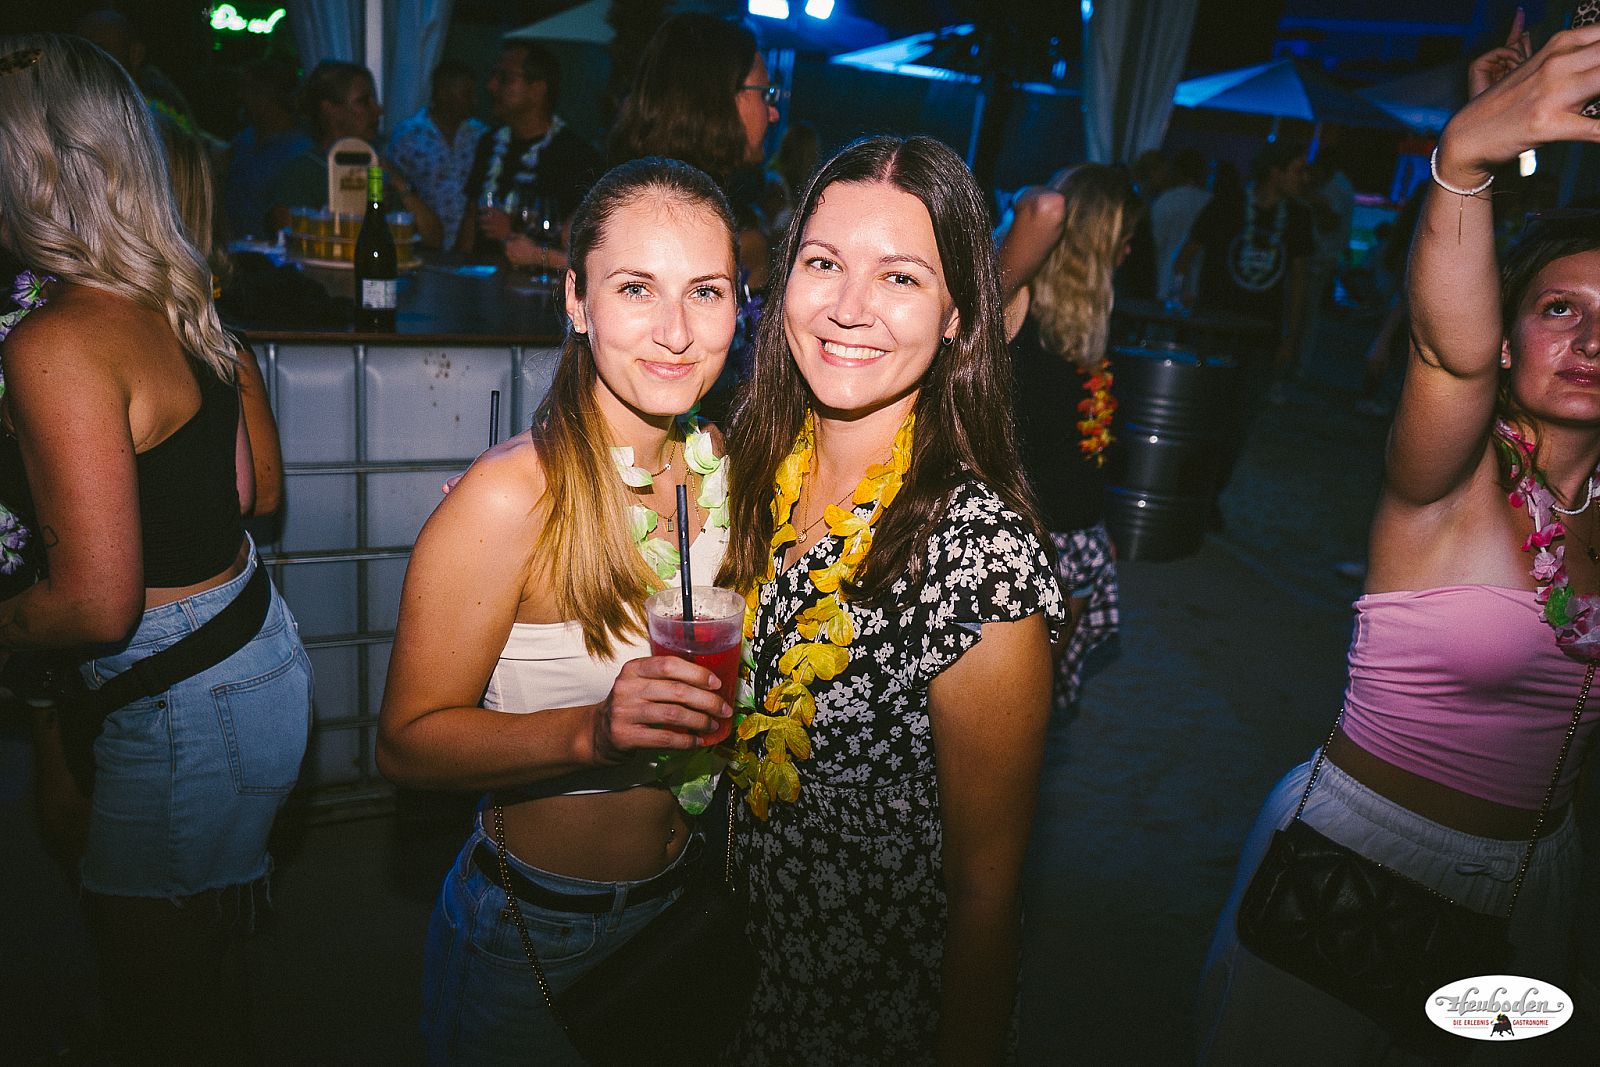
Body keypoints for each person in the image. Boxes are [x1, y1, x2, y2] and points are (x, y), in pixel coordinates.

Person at [1198, 24, 1600, 1063]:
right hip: (1361, 861)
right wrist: (1467, 157)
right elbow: (1444, 350)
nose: (1591, 341)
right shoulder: (1449, 477)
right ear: (1507, 336)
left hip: (1534, 885)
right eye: (1560, 308)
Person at [376, 156, 739, 1066]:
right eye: (635, 288)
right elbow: (405, 744)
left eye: (706, 291)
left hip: (691, 903)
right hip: (537, 932)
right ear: (576, 299)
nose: (676, 331)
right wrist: (592, 733)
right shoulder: (511, 496)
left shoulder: (729, 467)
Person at [716, 134, 1066, 1065]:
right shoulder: (747, 470)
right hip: (725, 975)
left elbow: (987, 892)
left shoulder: (978, 563)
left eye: (901, 277)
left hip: (866, 1018)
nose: (848, 308)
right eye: (822, 263)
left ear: (958, 315)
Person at [0, 34, 311, 1062]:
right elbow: (246, 494)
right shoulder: (175, 299)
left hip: (184, 700)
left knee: (156, 1006)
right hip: (251, 651)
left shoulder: (54, 339)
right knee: (199, 969)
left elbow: (96, 601)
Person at [997, 163, 1142, 715]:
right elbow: (1044, 207)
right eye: (1123, 236)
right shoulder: (1018, 299)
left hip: (1079, 537)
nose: (1129, 250)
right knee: (1010, 701)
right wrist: (1041, 201)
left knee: (1040, 698)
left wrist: (1098, 523)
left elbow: (1085, 443)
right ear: (1094, 236)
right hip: (1020, 540)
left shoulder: (1093, 318)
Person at [608, 11, 782, 414]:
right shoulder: (734, 235)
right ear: (718, 100)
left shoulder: (620, 196)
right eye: (765, 94)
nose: (772, 113)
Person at [266, 60, 442, 248]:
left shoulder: (380, 168)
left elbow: (433, 239)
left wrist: (400, 185)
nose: (378, 110)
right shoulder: (303, 171)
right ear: (331, 110)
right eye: (364, 102)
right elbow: (290, 240)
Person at [458, 40, 601, 266]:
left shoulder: (576, 156)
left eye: (505, 78)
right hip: (480, 276)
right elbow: (470, 216)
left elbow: (580, 243)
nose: (491, 86)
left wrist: (510, 232)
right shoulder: (489, 142)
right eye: (493, 76)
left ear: (537, 89)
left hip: (539, 281)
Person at [387, 59, 489, 251]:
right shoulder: (408, 135)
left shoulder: (480, 134)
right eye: (466, 94)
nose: (474, 101)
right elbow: (394, 192)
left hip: (472, 247)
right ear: (443, 93)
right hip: (425, 245)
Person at [223, 56, 313, 241]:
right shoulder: (245, 139)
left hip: (270, 253)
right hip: (233, 247)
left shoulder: (299, 152)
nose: (240, 96)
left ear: (268, 96)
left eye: (248, 90)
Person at [1150, 148, 1211, 304]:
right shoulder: (1210, 202)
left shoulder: (1165, 200)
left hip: (1165, 278)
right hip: (1200, 283)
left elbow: (1156, 242)